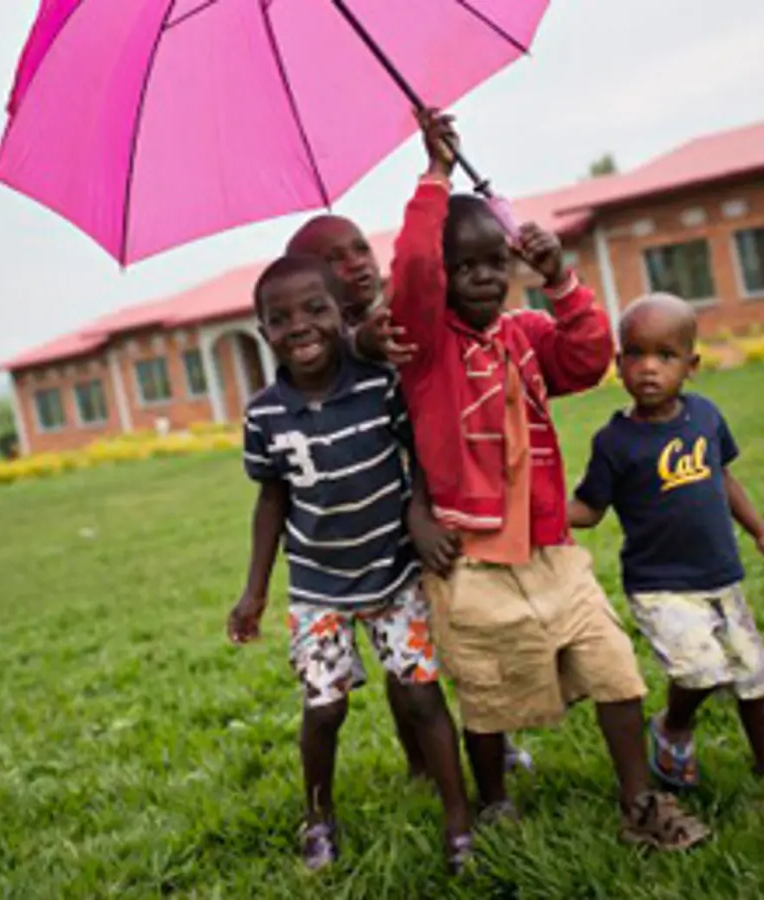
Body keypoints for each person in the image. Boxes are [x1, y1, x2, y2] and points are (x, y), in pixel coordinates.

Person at [388, 109, 710, 850]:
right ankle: (494, 797)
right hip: (471, 557)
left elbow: (589, 355)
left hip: (552, 547)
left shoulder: (527, 335)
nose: (483, 276)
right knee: (488, 689)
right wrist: (435, 174)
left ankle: (639, 805)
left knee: (613, 664)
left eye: (495, 262)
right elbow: (409, 270)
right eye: (463, 265)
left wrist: (561, 278)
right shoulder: (425, 348)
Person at [226, 254, 474, 872]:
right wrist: (254, 590)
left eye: (315, 309)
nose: (300, 326)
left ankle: (458, 822)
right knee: (324, 708)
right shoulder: (263, 414)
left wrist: (420, 517)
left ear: (343, 316)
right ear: (263, 333)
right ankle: (318, 818)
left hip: (393, 574)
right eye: (279, 318)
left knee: (422, 697)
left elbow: (418, 455)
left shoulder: (377, 382)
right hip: (318, 587)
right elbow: (272, 498)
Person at [285, 214, 535, 780]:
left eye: (358, 247)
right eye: (335, 258)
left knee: (463, 632)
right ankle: (423, 763)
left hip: (439, 500)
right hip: (371, 531)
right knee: (406, 662)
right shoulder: (323, 353)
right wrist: (357, 344)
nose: (357, 262)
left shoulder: (400, 318)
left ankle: (493, 741)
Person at [568, 292, 764, 790]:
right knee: (700, 671)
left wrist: (762, 534)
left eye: (665, 356)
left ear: (690, 365)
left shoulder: (706, 417)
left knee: (754, 676)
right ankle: (673, 726)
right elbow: (590, 509)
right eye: (636, 354)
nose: (649, 368)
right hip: (660, 585)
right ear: (618, 364)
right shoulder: (615, 442)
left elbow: (724, 479)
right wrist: (537, 512)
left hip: (721, 575)